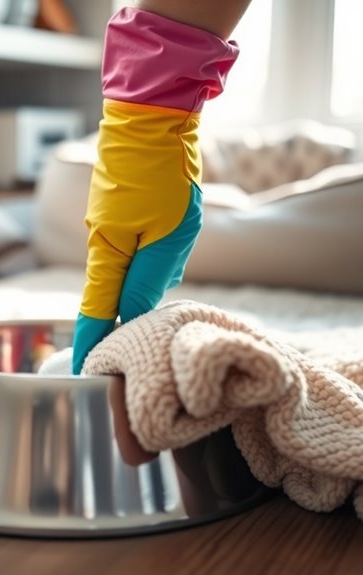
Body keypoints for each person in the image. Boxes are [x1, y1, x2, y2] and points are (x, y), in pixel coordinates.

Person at [70, 1, 252, 463]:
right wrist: (130, 139)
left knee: (127, 313)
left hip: (151, 163)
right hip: (145, 159)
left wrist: (139, 137)